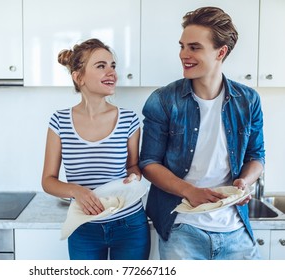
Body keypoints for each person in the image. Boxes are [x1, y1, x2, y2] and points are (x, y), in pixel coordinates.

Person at [139, 7, 265, 260]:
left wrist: (244, 182)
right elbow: (149, 163)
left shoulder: (248, 100)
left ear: (221, 52)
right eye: (182, 46)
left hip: (236, 228)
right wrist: (189, 191)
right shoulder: (164, 100)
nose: (183, 55)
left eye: (194, 47)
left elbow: (256, 155)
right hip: (182, 226)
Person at [41, 38, 150, 260]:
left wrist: (134, 177)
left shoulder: (129, 120)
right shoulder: (60, 121)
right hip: (83, 224)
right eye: (101, 66)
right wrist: (75, 191)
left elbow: (133, 166)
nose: (111, 72)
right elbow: (48, 180)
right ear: (78, 77)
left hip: (129, 224)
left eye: (113, 66)